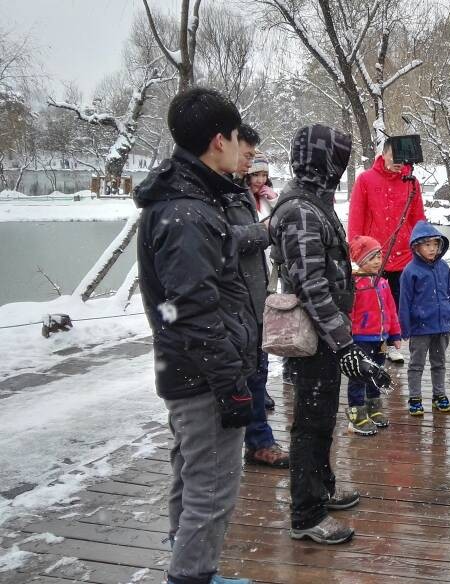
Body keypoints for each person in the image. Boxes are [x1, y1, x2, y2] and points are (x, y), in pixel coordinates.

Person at [134, 87, 254, 584]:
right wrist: (231, 385)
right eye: (235, 136)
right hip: (202, 375)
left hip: (187, 370)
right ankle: (190, 574)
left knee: (191, 472)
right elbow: (193, 312)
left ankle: (192, 565)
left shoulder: (188, 197)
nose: (240, 145)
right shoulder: (187, 211)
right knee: (211, 484)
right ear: (217, 140)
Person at [269, 124, 366, 545]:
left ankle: (322, 489)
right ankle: (305, 513)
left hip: (326, 334)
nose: (340, 168)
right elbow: (311, 284)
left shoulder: (313, 203)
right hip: (315, 337)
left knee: (322, 417)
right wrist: (342, 340)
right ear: (324, 162)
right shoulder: (302, 211)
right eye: (338, 159)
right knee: (309, 424)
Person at [229, 123, 288, 468]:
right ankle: (256, 439)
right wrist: (262, 232)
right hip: (240, 300)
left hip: (260, 291)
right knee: (247, 370)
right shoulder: (226, 196)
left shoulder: (265, 199)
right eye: (249, 160)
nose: (256, 176)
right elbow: (225, 239)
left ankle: (256, 437)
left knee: (258, 366)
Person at [348, 139, 427, 364]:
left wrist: (423, 247)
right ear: (384, 154)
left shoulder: (412, 183)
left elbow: (417, 217)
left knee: (399, 301)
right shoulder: (365, 179)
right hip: (373, 255)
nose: (398, 163)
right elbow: (356, 217)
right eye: (394, 156)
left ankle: (395, 342)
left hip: (404, 254)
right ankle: (372, 341)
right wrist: (356, 250)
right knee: (372, 300)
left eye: (402, 159)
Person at [398, 220, 450, 415]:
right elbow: (404, 302)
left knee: (439, 363)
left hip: (442, 325)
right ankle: (415, 397)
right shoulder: (410, 271)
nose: (432, 249)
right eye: (427, 244)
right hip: (420, 327)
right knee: (416, 364)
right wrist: (404, 328)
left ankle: (439, 395)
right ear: (416, 246)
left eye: (435, 244)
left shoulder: (444, 268)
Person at [345, 235, 401, 436]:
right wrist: (347, 334)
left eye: (379, 256)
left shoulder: (383, 283)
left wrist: (395, 333)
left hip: (380, 338)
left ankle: (373, 406)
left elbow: (391, 309)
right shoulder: (354, 284)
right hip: (361, 338)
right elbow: (348, 311)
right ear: (360, 260)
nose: (378, 260)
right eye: (372, 257)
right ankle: (357, 412)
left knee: (377, 373)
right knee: (359, 375)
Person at [245, 154, 278, 218]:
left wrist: (274, 200)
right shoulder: (237, 198)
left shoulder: (266, 197)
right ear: (246, 176)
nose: (260, 181)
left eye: (264, 175)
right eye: (255, 175)